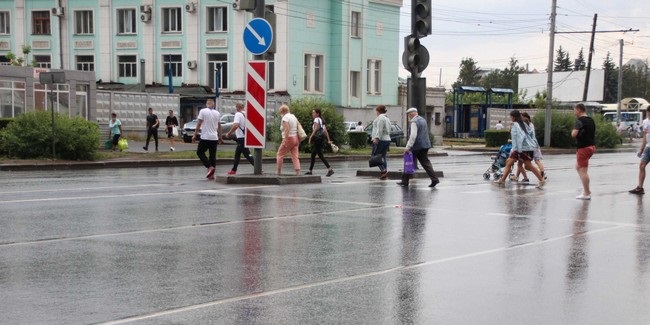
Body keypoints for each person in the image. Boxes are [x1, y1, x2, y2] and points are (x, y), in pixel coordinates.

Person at [493, 110, 545, 188]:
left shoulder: (515, 125)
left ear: (513, 117)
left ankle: (541, 180)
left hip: (520, 149)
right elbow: (531, 134)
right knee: (509, 162)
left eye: (511, 116)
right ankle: (502, 180)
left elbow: (517, 138)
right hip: (527, 147)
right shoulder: (523, 124)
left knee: (528, 165)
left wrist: (517, 149)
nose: (510, 118)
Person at [397, 108, 440, 188]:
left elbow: (413, 136)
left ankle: (405, 181)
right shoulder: (423, 120)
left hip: (416, 146)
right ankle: (434, 179)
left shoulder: (414, 122)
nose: (408, 116)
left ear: (410, 114)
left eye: (408, 114)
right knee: (426, 163)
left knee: (408, 162)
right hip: (425, 145)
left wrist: (408, 147)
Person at [193, 98, 222, 180]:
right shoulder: (217, 113)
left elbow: (199, 123)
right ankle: (212, 174)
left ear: (207, 104)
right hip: (214, 137)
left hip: (205, 137)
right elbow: (219, 126)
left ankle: (209, 167)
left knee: (200, 152)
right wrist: (220, 137)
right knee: (212, 155)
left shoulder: (203, 111)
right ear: (214, 105)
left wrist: (195, 134)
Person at [571, 103, 596, 200]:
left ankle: (586, 192)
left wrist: (574, 132)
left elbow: (573, 134)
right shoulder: (591, 120)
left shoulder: (580, 121)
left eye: (574, 110)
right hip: (591, 146)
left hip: (583, 147)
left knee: (583, 170)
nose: (574, 112)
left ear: (579, 110)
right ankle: (586, 190)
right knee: (578, 166)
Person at [514, 112, 546, 181]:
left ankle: (541, 174)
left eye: (521, 117)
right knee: (522, 163)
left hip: (529, 146)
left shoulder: (527, 125)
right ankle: (518, 176)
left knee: (527, 164)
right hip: (533, 145)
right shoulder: (530, 125)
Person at [225, 102, 255, 175]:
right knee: (237, 154)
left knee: (247, 154)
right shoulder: (246, 114)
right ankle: (233, 170)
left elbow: (236, 125)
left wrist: (229, 133)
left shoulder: (238, 114)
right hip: (246, 136)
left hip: (241, 137)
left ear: (237, 108)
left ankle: (258, 167)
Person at [306, 108, 334, 177]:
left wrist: (310, 137)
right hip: (321, 139)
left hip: (317, 139)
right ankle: (310, 170)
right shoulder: (321, 120)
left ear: (317, 114)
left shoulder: (316, 119)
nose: (312, 114)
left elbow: (315, 129)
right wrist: (328, 139)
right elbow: (325, 131)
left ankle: (330, 169)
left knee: (320, 156)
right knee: (313, 154)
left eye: (314, 113)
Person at [628, 106, 650, 194]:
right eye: (648, 112)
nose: (649, 114)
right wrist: (641, 148)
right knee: (642, 165)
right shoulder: (645, 122)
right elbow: (645, 136)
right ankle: (640, 187)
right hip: (648, 147)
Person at [276, 104, 301, 176]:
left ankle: (278, 172)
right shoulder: (293, 116)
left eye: (280, 112)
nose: (280, 114)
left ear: (282, 111)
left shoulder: (285, 118)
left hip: (289, 138)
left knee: (279, 154)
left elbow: (287, 129)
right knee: (295, 156)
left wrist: (285, 140)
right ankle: (298, 172)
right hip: (295, 138)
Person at [371, 105, 391, 179]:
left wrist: (376, 138)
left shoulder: (380, 118)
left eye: (376, 110)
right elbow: (389, 129)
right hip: (387, 139)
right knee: (383, 156)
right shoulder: (387, 118)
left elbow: (379, 129)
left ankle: (383, 170)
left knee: (375, 156)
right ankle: (384, 173)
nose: (376, 112)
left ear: (378, 111)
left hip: (381, 139)